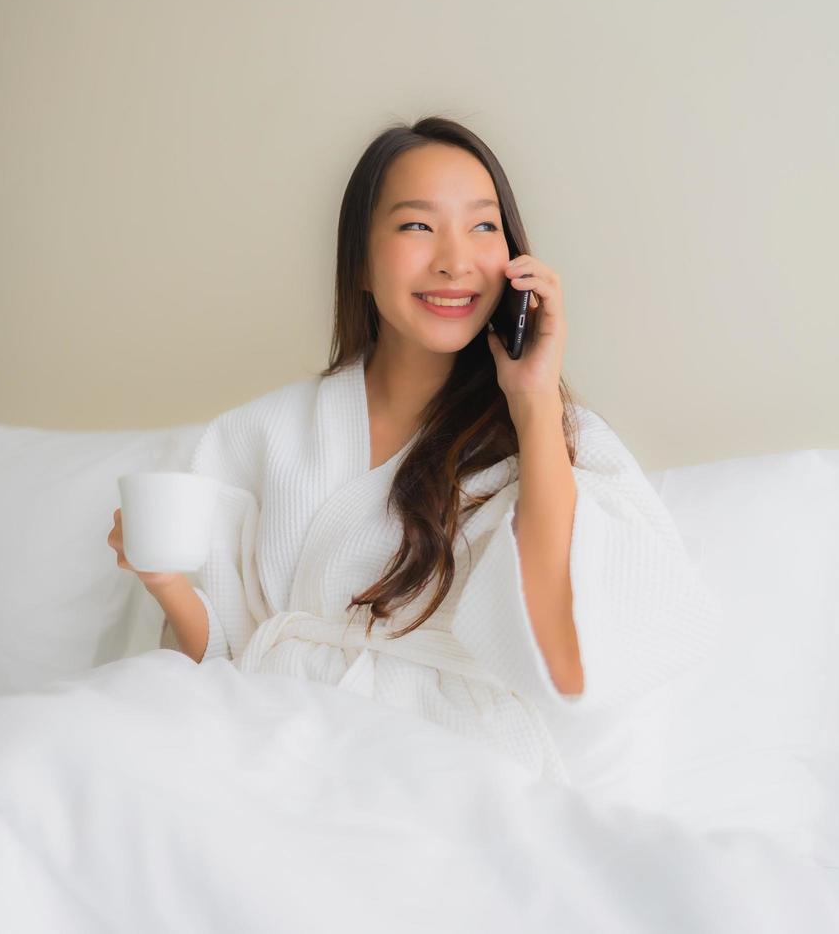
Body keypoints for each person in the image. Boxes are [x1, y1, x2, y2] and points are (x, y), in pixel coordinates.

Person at [107, 115, 719, 796]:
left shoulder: (552, 434)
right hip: (274, 749)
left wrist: (532, 399)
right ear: (361, 263)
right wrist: (162, 580)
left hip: (450, 771)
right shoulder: (260, 432)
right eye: (417, 227)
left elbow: (566, 656)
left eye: (483, 226)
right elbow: (220, 666)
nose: (455, 260)